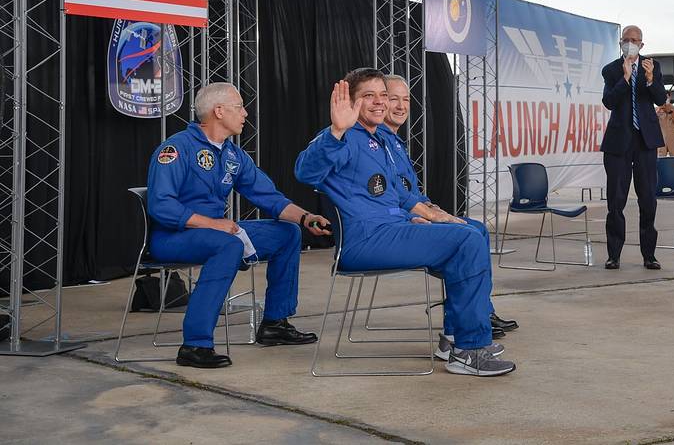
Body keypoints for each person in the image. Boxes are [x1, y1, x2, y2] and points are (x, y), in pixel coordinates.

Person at [295, 69, 515, 377]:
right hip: (365, 241)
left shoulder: (377, 141)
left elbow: (397, 194)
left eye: (382, 95)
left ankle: (457, 339)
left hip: (391, 230)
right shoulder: (343, 137)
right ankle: (468, 349)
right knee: (466, 241)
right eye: (368, 96)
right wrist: (335, 130)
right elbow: (305, 172)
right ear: (351, 102)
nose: (379, 102)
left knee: (466, 235)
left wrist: (424, 215)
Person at [147, 82, 329, 369]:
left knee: (287, 233)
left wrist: (306, 218)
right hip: (173, 236)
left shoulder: (233, 155)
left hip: (215, 232)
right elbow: (161, 206)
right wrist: (213, 224)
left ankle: (274, 324)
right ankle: (195, 344)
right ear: (218, 111)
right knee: (228, 244)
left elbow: (268, 197)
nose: (245, 113)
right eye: (239, 106)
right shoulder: (176, 148)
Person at [379, 73, 518, 350]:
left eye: (405, 100)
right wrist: (417, 214)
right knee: (468, 236)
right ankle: (466, 331)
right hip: (394, 229)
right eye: (393, 99)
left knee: (476, 228)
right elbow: (385, 194)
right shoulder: (377, 142)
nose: (401, 106)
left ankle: (476, 315)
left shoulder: (395, 141)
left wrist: (430, 206)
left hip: (410, 217)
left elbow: (410, 190)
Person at [600, 25, 668, 270]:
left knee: (648, 199)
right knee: (616, 200)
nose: (631, 43)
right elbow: (609, 101)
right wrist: (626, 78)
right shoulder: (611, 70)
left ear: (642, 44)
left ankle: (649, 255)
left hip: (645, 141)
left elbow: (661, 99)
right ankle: (614, 254)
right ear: (621, 43)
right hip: (619, 142)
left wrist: (650, 80)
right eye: (626, 40)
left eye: (635, 40)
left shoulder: (653, 67)